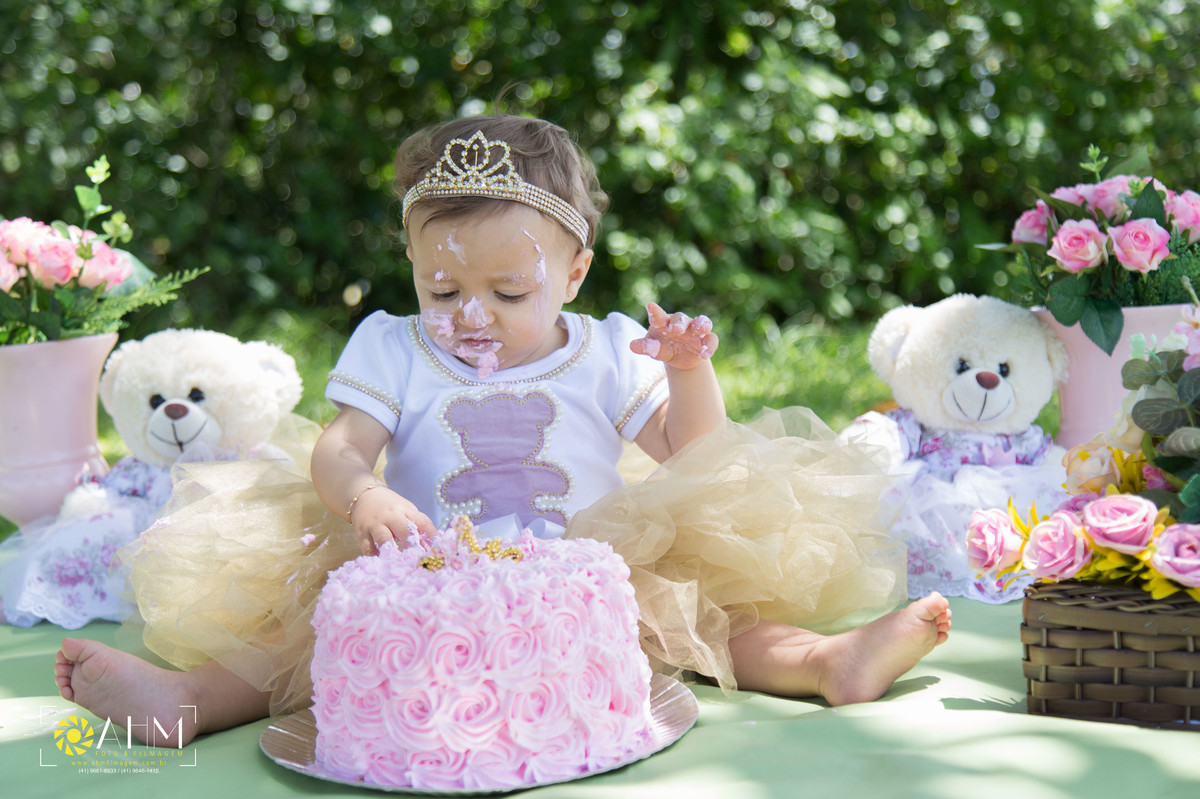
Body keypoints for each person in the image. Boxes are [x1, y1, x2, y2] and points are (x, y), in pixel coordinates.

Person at [54, 114, 950, 748]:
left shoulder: (603, 351)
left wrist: (687, 370)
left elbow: (696, 455)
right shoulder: (395, 348)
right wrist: (362, 495)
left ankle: (826, 662)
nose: (471, 314)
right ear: (413, 264)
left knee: (702, 623)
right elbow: (341, 446)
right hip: (423, 574)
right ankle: (188, 701)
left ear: (574, 273)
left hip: (589, 573)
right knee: (308, 631)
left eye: (509, 291)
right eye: (442, 289)